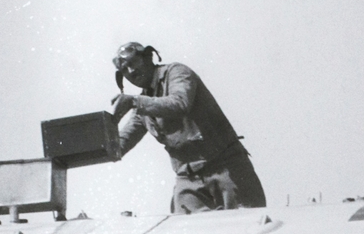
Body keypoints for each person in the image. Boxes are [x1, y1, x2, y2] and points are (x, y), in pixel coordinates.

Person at [111, 42, 266, 214]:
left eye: (133, 63)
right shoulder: (143, 107)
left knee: (242, 230)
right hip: (188, 179)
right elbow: (120, 143)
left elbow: (179, 103)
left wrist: (134, 102)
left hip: (225, 168)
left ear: (148, 58)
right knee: (184, 232)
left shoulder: (177, 73)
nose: (131, 72)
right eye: (125, 70)